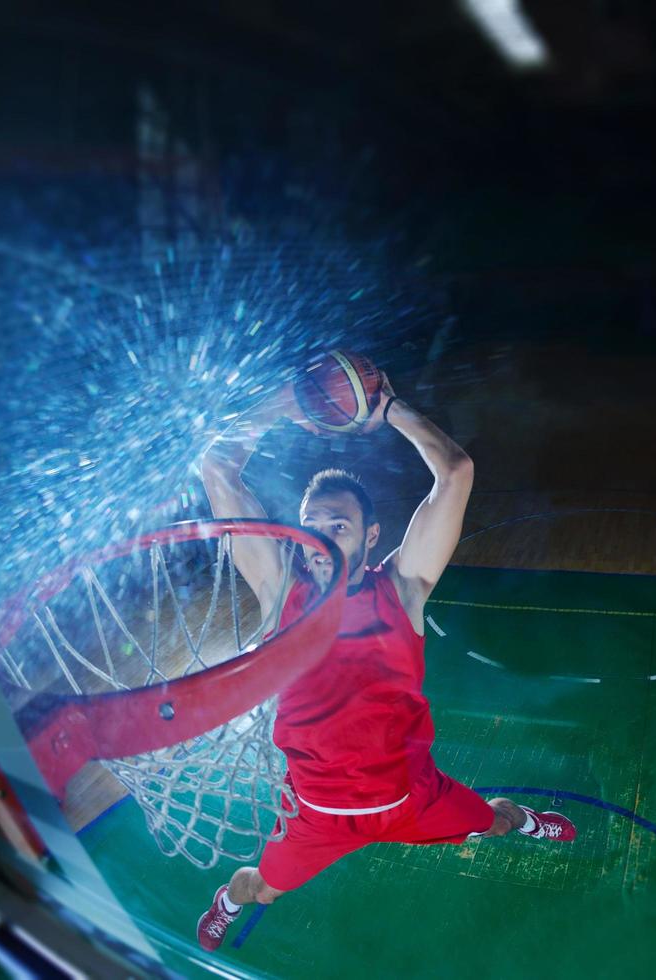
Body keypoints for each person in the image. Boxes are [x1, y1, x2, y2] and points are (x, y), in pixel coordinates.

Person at [193, 373, 576, 952]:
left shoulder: (401, 590)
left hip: (410, 796)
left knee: (491, 821)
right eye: (313, 525)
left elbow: (456, 474)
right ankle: (226, 901)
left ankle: (525, 820)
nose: (321, 537)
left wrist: (390, 409)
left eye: (339, 526)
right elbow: (217, 468)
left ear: (371, 537)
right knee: (262, 889)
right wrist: (282, 405)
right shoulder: (279, 593)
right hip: (316, 813)